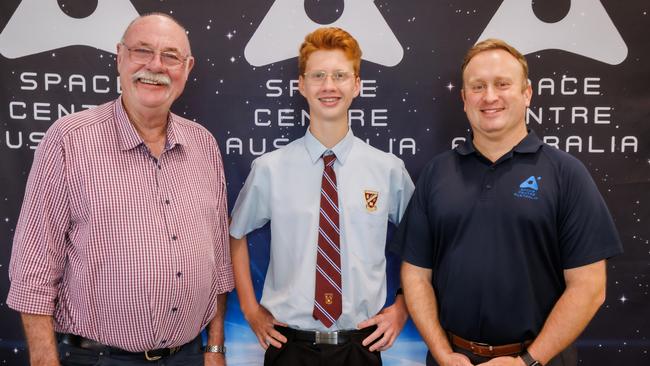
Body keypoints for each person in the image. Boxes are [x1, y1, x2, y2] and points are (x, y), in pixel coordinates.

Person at [7, 13, 234, 366]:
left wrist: (215, 347)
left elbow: (219, 261)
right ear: (120, 57)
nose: (155, 65)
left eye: (171, 56)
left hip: (189, 356)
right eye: (142, 51)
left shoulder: (203, 145)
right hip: (99, 359)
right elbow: (33, 270)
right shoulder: (69, 140)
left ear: (187, 67)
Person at [390, 38, 623, 366]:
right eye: (478, 86)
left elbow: (589, 287)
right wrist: (443, 354)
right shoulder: (436, 174)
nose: (489, 97)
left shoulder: (567, 174)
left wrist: (526, 361)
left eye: (502, 84)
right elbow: (415, 275)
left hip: (539, 361)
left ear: (527, 93)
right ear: (463, 98)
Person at [229, 27, 415, 366]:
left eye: (340, 75)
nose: (329, 86)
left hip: (361, 345)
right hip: (290, 346)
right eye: (318, 76)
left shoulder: (388, 169)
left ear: (357, 85)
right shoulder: (270, 168)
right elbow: (235, 234)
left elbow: (422, 242)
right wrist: (250, 309)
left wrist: (402, 308)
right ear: (301, 85)